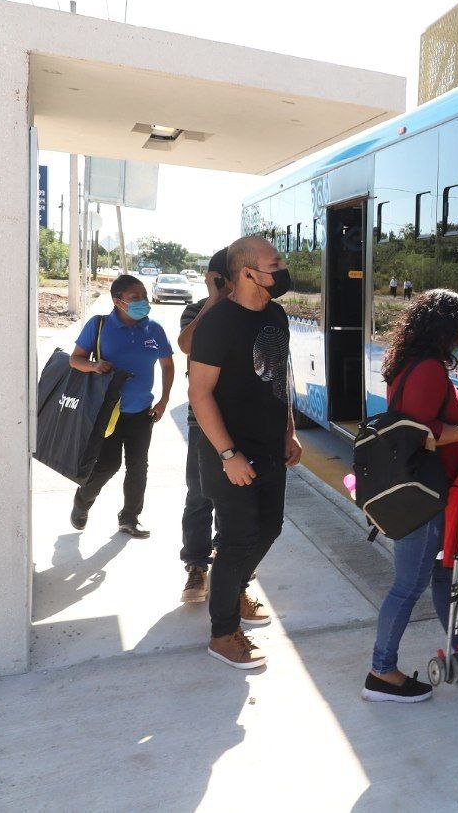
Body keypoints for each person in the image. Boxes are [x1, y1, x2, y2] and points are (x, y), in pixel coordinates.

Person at [364, 289, 458, 704]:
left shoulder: (408, 364)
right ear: (445, 329)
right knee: (409, 585)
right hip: (422, 497)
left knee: (445, 574)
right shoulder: (427, 370)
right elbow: (420, 433)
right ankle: (381, 671)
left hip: (430, 493)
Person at [188, 236, 301, 670]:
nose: (283, 268)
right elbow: (200, 394)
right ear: (248, 272)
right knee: (237, 540)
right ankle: (223, 634)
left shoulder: (276, 314)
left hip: (271, 446)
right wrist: (228, 454)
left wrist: (289, 431)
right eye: (276, 262)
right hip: (228, 451)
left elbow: (279, 380)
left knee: (269, 528)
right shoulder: (218, 323)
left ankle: (233, 587)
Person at [68, 274, 174, 539]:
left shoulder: (154, 330)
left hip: (142, 411)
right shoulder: (100, 325)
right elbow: (75, 360)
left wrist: (163, 400)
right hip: (108, 412)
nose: (143, 302)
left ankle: (129, 518)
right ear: (118, 301)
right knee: (107, 465)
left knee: (138, 466)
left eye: (144, 297)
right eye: (135, 298)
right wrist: (94, 365)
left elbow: (167, 365)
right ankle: (82, 501)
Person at [176, 249, 231, 604]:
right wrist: (213, 300)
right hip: (203, 421)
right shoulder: (197, 310)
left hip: (243, 420)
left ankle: (232, 563)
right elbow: (186, 345)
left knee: (237, 498)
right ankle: (197, 565)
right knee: (199, 494)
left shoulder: (253, 312)